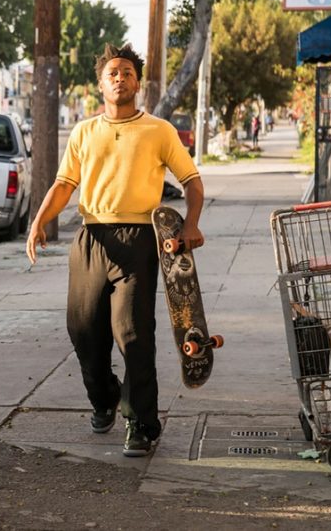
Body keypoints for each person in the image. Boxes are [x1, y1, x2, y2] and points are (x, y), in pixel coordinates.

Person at [26, 43, 204, 457]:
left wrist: (191, 224)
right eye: (112, 73)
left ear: (137, 82)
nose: (119, 78)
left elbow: (192, 181)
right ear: (100, 83)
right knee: (83, 331)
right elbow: (64, 185)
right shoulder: (85, 131)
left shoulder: (159, 130)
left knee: (133, 334)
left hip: (139, 239)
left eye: (126, 72)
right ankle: (106, 398)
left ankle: (142, 423)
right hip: (91, 238)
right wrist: (38, 222)